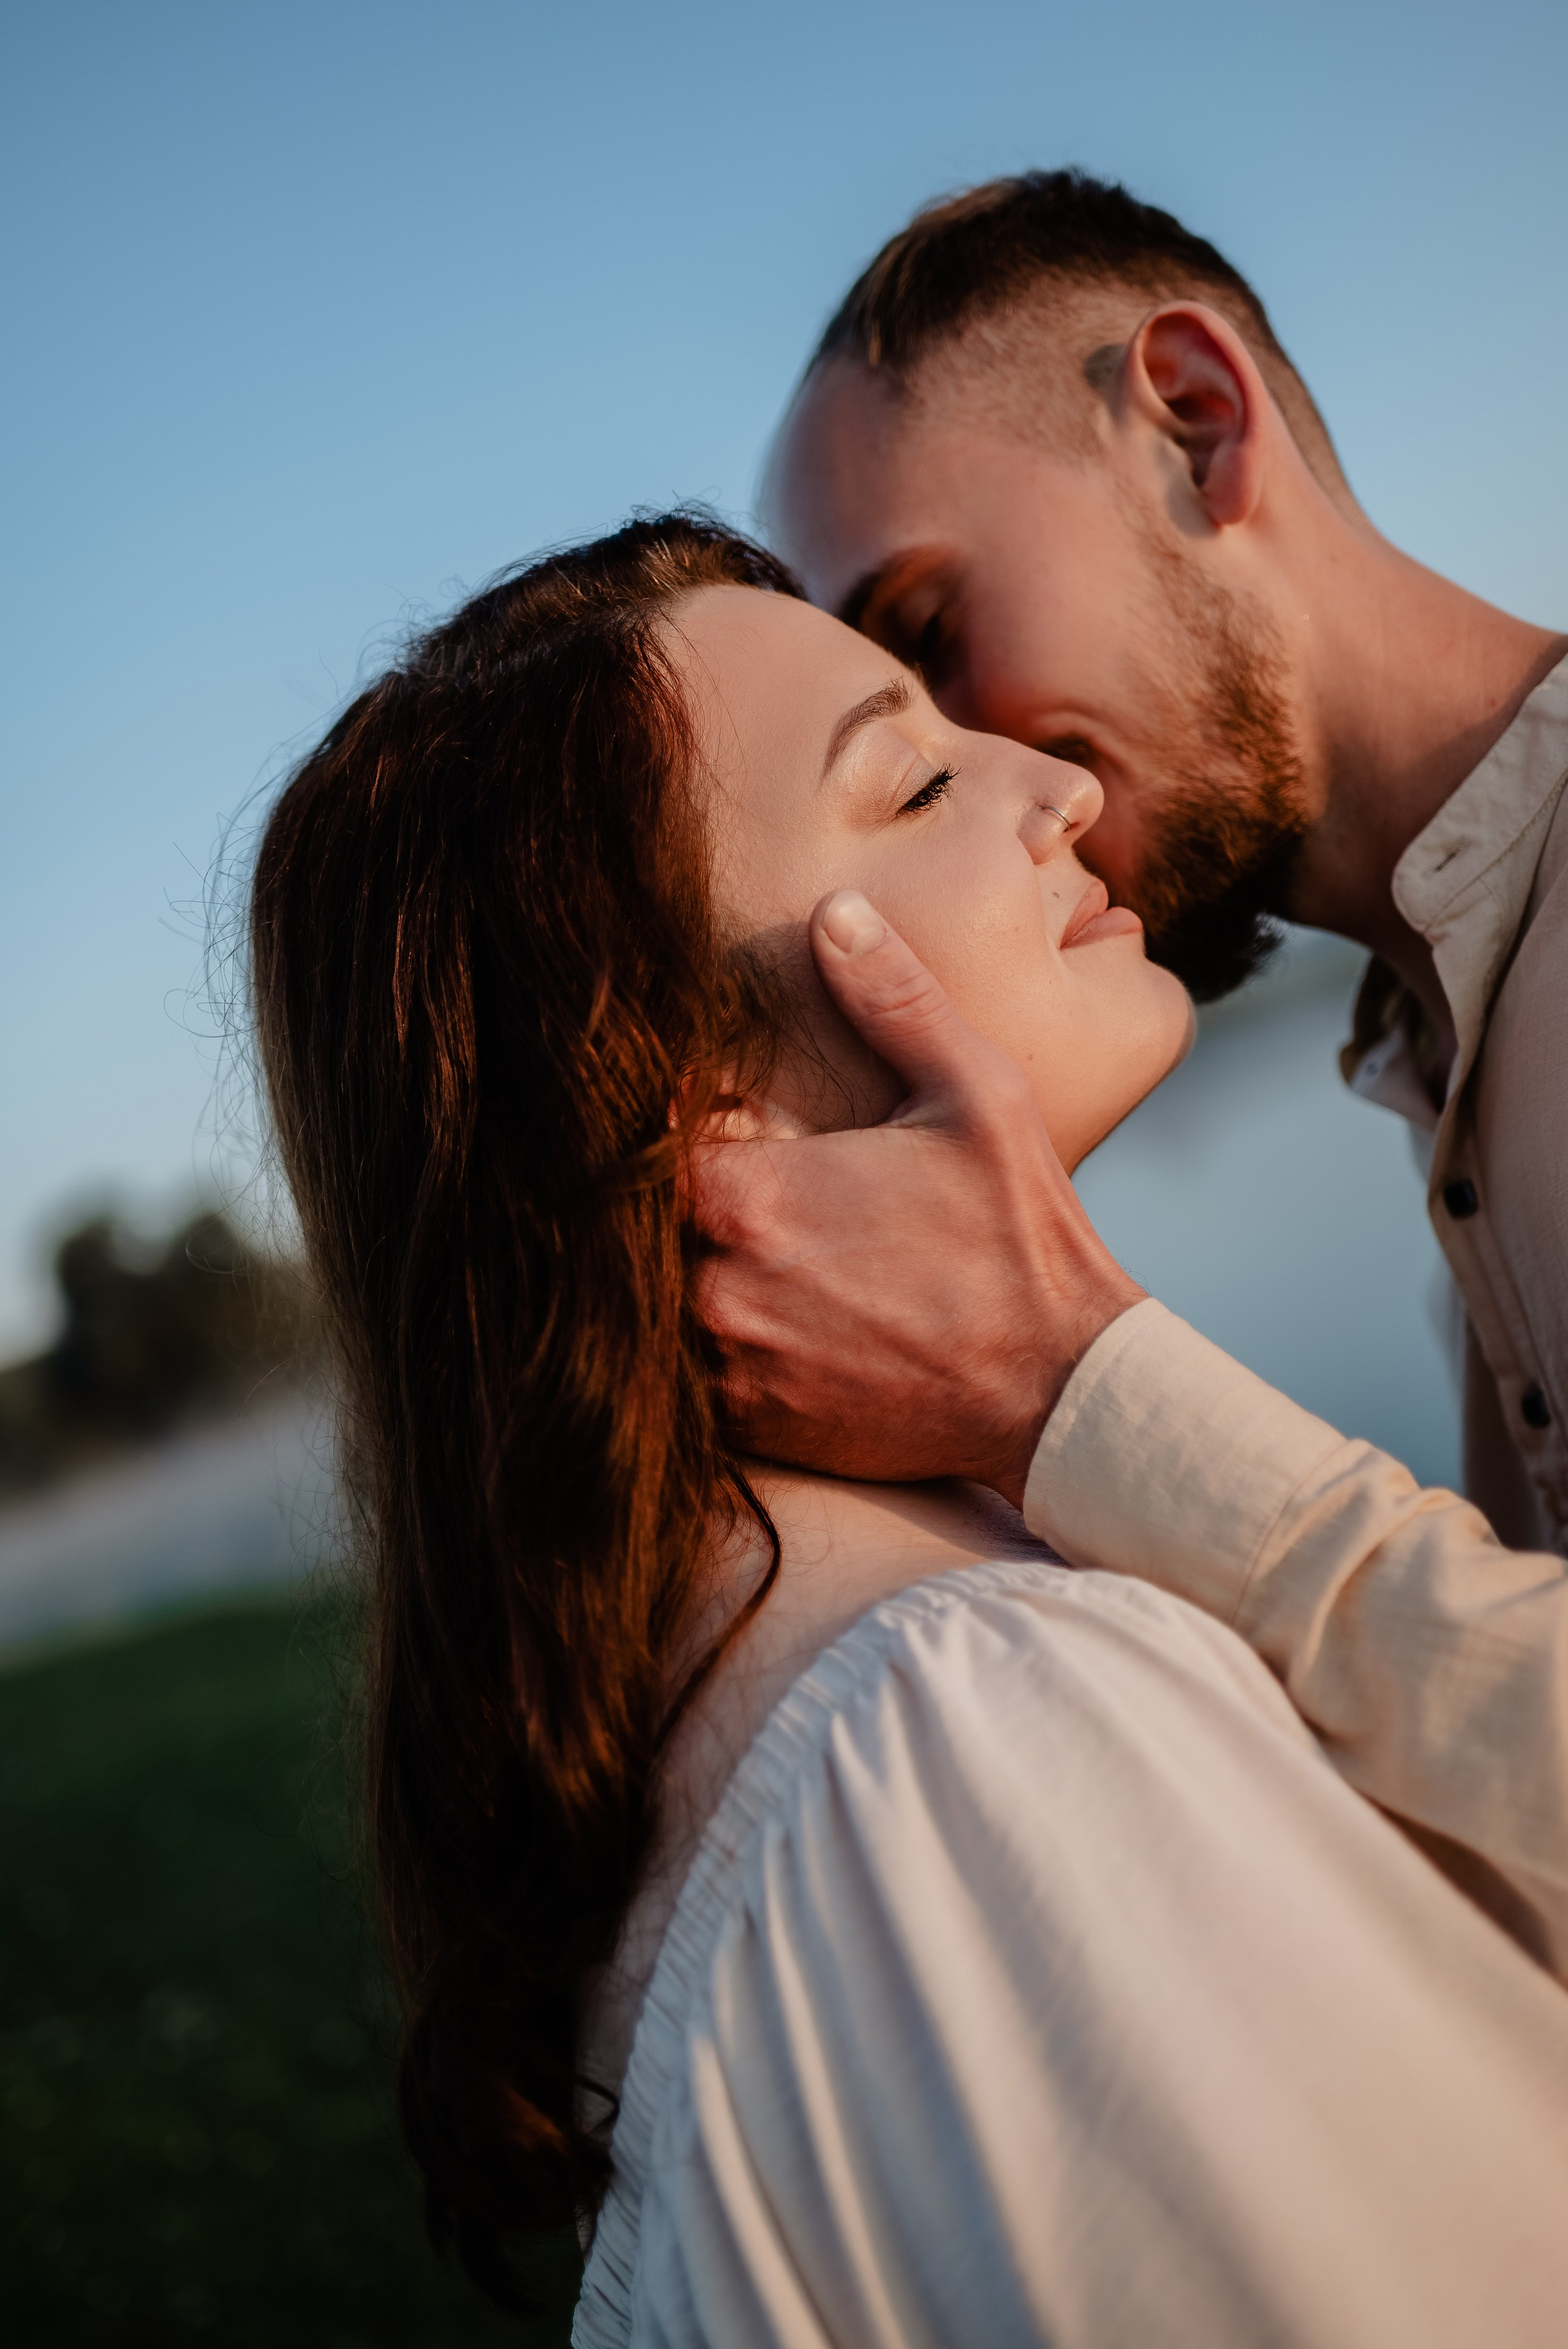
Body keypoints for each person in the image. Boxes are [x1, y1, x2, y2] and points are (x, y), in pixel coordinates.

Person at [251, 514, 1568, 2345]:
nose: (1053, 784)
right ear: (694, 1108)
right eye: (916, 777)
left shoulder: (865, 1706)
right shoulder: (968, 1738)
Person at [693, 168, 1568, 1940]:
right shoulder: (1446, 1021)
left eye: (931, 642)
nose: (994, 791)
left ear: (1192, 421)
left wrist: (1072, 1383)